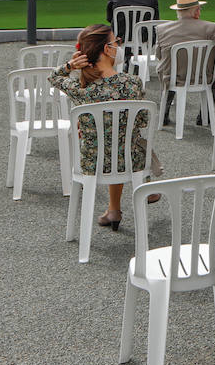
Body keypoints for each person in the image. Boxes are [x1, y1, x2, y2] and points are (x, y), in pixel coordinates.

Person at [50, 24, 155, 231]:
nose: (118, 46)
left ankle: (114, 209)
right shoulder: (132, 83)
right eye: (116, 42)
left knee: (112, 143)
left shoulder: (82, 89)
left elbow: (54, 78)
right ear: (107, 49)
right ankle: (146, 183)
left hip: (92, 162)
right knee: (124, 142)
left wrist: (70, 66)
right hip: (129, 161)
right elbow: (143, 121)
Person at [155, 0, 215, 94]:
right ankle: (208, 109)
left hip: (172, 80)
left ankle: (166, 106)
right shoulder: (210, 28)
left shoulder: (162, 30)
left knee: (168, 66)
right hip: (205, 78)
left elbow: (159, 55)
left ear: (178, 11)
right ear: (197, 11)